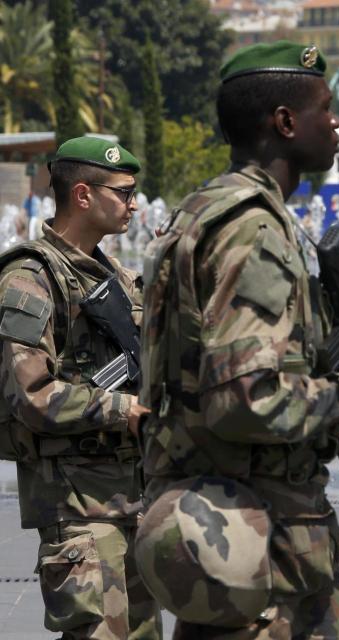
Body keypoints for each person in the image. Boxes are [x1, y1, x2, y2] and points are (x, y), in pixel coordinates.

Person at [133, 41, 339, 638]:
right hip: (260, 539)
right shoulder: (254, 229)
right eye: (325, 109)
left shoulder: (205, 210)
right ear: (284, 122)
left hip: (232, 530)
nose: (336, 123)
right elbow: (245, 397)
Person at [0, 137, 160, 639]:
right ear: (84, 195)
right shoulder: (30, 277)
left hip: (133, 501)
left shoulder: (117, 278)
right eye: (125, 192)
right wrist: (122, 409)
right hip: (78, 513)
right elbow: (31, 395)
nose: (135, 203)